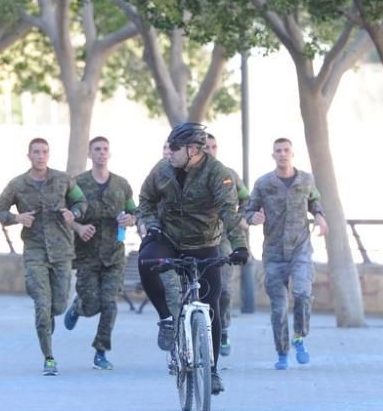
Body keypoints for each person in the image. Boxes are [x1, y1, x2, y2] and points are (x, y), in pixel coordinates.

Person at [137, 122, 249, 395]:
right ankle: (165, 319)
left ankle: (211, 371)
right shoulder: (162, 169)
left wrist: (240, 247)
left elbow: (229, 213)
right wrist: (150, 223)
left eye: (175, 147)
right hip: (169, 239)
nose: (169, 152)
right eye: (169, 146)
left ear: (194, 150)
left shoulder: (217, 173)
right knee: (146, 261)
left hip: (204, 243)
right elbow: (145, 200)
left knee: (212, 307)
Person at [0, 138, 88, 376]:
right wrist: (17, 218)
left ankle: (50, 320)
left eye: (44, 152)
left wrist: (73, 212)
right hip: (35, 251)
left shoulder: (64, 180)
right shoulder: (17, 184)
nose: (40, 156)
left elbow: (81, 201)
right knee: (42, 306)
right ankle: (49, 357)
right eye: (36, 152)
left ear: (48, 155)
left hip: (62, 251)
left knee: (58, 305)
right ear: (29, 155)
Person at [243, 138, 328, 369]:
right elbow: (248, 210)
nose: (282, 154)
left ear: (292, 153)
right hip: (273, 254)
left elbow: (315, 200)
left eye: (286, 150)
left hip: (300, 250)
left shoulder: (306, 180)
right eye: (278, 151)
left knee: (302, 294)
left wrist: (319, 216)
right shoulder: (264, 183)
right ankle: (282, 353)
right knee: (279, 308)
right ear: (273, 155)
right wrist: (253, 218)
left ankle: (300, 336)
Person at [62, 137, 136, 370]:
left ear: (109, 154)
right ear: (89, 154)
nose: (102, 153)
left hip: (114, 254)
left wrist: (130, 219)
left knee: (110, 304)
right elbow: (65, 214)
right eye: (97, 149)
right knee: (92, 304)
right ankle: (77, 308)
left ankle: (100, 352)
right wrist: (79, 227)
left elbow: (134, 212)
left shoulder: (122, 185)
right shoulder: (77, 184)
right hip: (86, 254)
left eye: (105, 149)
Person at [202, 133, 250, 356]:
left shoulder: (229, 175)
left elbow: (247, 200)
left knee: (224, 289)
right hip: (196, 238)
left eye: (213, 146)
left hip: (223, 239)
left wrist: (242, 218)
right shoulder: (188, 175)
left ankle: (223, 330)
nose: (210, 150)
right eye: (205, 147)